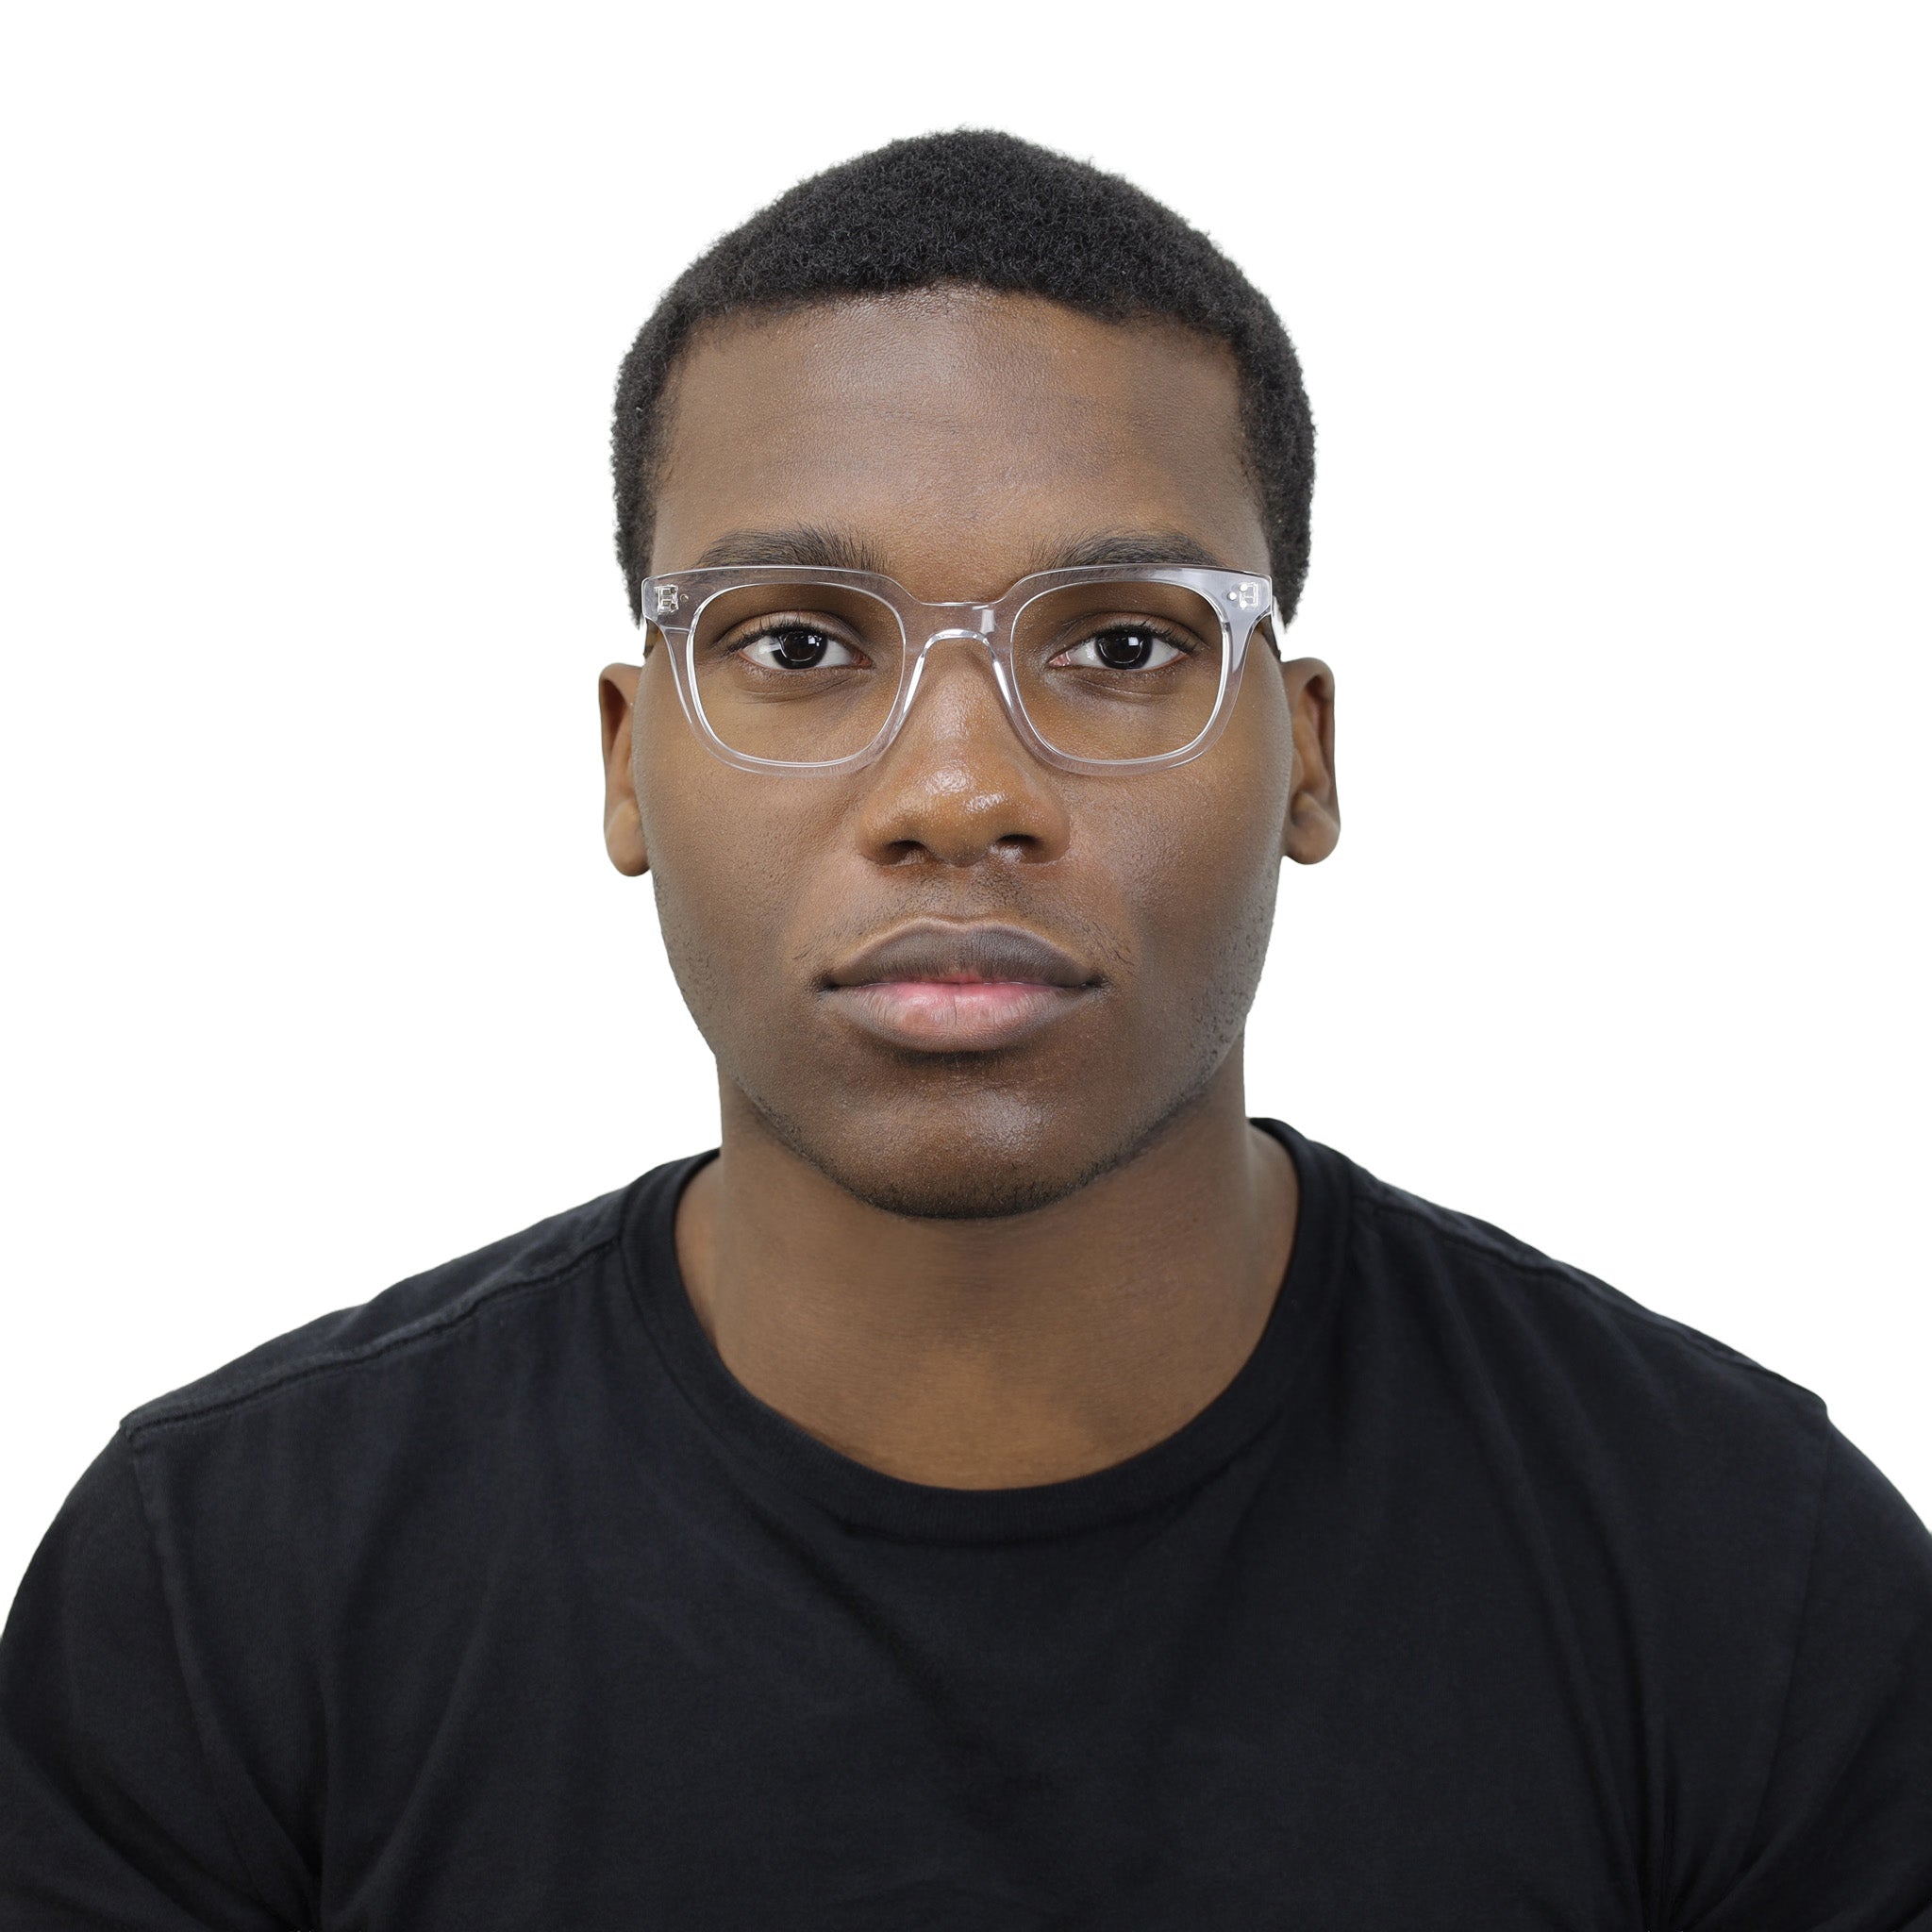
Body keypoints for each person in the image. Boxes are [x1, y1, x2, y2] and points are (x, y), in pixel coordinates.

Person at [3, 129, 1927, 1930]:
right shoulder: (219, 1595)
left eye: (1119, 643)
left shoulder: (1744, 1580)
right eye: (796, 642)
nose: (956, 791)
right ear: (628, 764)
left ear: (1305, 758)